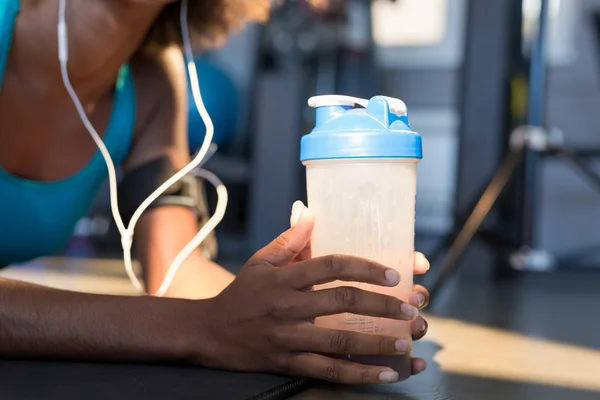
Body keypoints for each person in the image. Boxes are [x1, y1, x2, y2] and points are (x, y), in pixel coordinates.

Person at [0, 0, 431, 385]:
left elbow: (177, 274)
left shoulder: (153, 86)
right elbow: (199, 319)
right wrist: (198, 328)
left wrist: (292, 311)